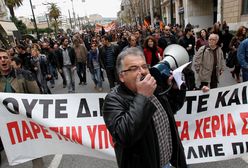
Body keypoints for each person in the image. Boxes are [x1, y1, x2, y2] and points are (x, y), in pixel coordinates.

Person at [102, 47, 187, 168]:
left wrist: (175, 89)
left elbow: (172, 108)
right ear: (122, 76)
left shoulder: (153, 87)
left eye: (144, 66)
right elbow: (124, 136)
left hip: (170, 162)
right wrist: (142, 96)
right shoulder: (113, 100)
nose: (142, 71)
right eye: (134, 68)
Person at [0, 48, 44, 167]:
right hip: (5, 122)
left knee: (33, 149)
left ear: (10, 59)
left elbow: (37, 96)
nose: (2, 60)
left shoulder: (24, 74)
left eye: (5, 57)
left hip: (24, 120)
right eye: (0, 58)